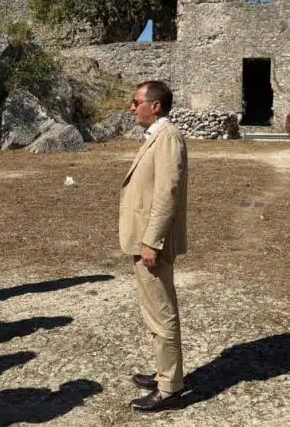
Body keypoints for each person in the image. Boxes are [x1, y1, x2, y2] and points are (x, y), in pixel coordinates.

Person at [119, 80, 189, 413]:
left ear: (155, 106)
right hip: (145, 240)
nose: (132, 107)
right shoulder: (156, 136)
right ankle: (165, 373)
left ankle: (170, 388)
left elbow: (167, 194)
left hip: (152, 244)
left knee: (162, 313)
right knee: (154, 311)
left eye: (136, 102)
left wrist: (152, 241)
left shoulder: (168, 138)